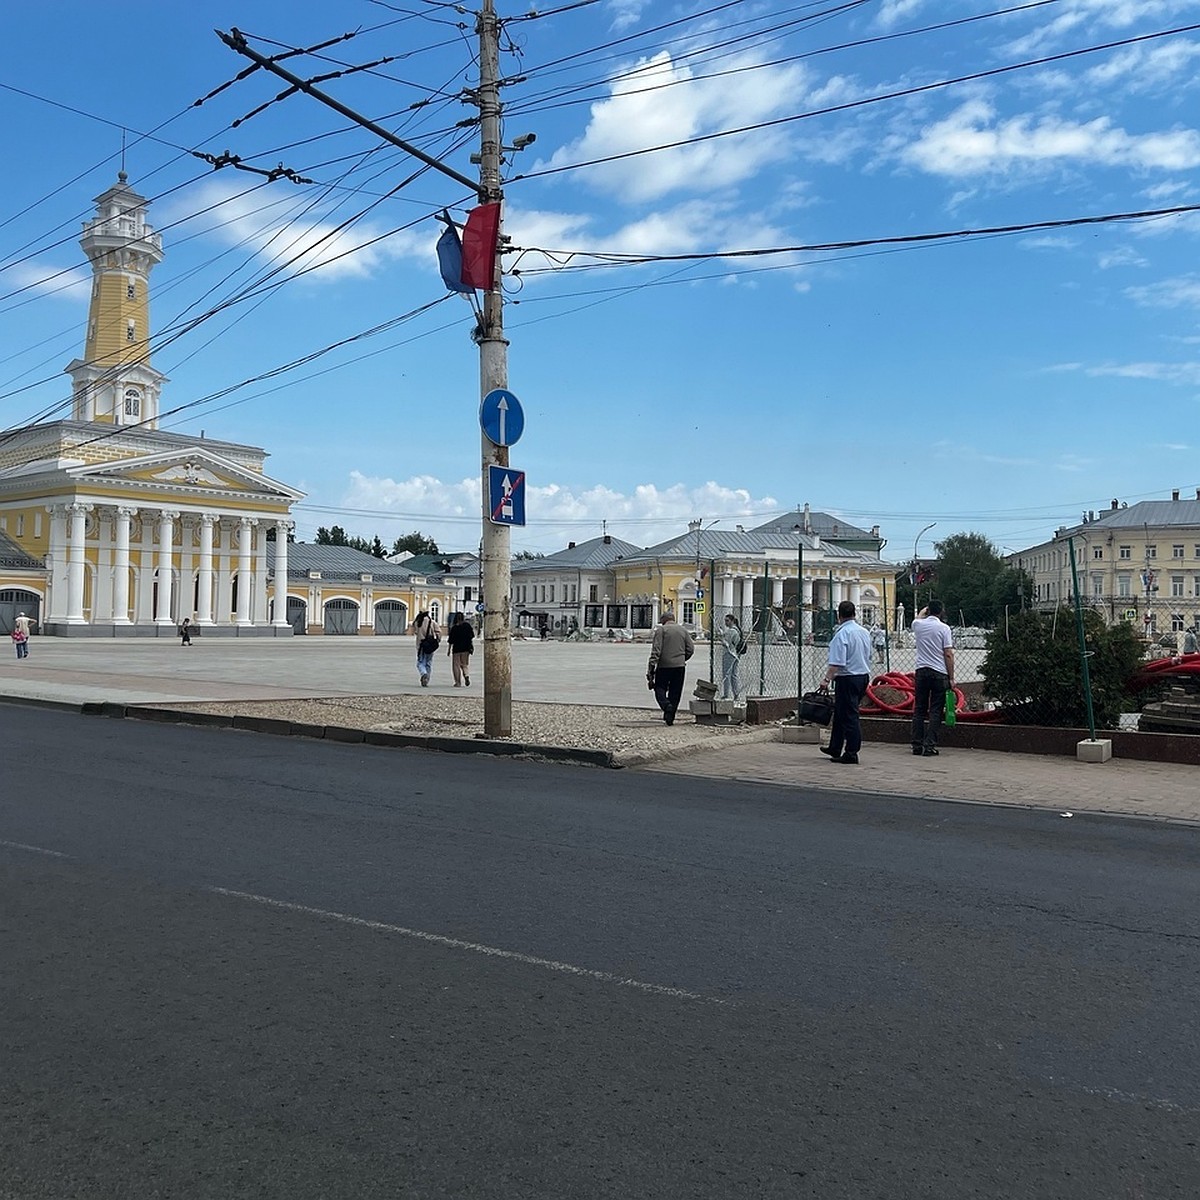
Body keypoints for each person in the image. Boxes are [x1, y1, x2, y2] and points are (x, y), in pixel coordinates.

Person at [818, 599, 872, 764]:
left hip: (847, 678)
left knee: (849, 715)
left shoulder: (841, 635)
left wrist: (826, 679)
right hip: (863, 675)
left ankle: (851, 752)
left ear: (838, 615)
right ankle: (835, 746)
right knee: (841, 713)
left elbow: (837, 663)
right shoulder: (864, 632)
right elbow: (869, 655)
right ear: (854, 614)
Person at [911, 600, 955, 757]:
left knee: (919, 709)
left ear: (928, 610)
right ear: (941, 612)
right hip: (939, 672)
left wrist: (924, 611)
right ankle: (929, 746)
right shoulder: (944, 629)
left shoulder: (918, 625)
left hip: (921, 670)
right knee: (935, 710)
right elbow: (948, 653)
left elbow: (917, 618)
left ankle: (916, 744)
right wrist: (951, 677)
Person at [647, 609, 694, 726]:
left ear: (664, 620)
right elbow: (691, 649)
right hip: (680, 666)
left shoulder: (661, 630)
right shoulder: (683, 630)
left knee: (659, 688)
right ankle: (670, 717)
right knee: (675, 691)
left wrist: (651, 667)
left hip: (664, 665)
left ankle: (666, 705)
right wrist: (682, 658)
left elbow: (656, 650)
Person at [412, 610, 439, 687]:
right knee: (428, 663)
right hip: (430, 645)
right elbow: (438, 632)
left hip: (421, 645)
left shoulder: (417, 623)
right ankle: (426, 679)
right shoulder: (432, 622)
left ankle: (424, 673)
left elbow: (415, 632)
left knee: (420, 662)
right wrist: (437, 640)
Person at [719, 613, 743, 700]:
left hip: (729, 654)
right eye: (725, 620)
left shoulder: (731, 631)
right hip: (736, 654)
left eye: (727, 621)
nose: (726, 622)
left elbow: (726, 644)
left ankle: (726, 694)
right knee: (734, 674)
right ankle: (736, 694)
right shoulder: (738, 630)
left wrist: (721, 637)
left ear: (732, 621)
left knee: (726, 674)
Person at [447, 612, 474, 687]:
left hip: (456, 649)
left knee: (456, 665)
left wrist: (449, 650)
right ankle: (466, 675)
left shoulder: (454, 628)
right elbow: (472, 635)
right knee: (464, 664)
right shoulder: (467, 626)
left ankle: (458, 682)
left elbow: (450, 640)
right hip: (466, 648)